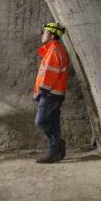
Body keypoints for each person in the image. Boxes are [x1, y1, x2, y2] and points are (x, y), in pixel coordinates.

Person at [34, 22, 70, 163]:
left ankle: (57, 144)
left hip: (50, 94)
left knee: (41, 121)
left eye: (45, 32)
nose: (43, 35)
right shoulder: (52, 50)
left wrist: (42, 91)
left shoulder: (54, 51)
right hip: (54, 93)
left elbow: (50, 75)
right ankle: (54, 152)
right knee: (54, 123)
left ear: (52, 35)